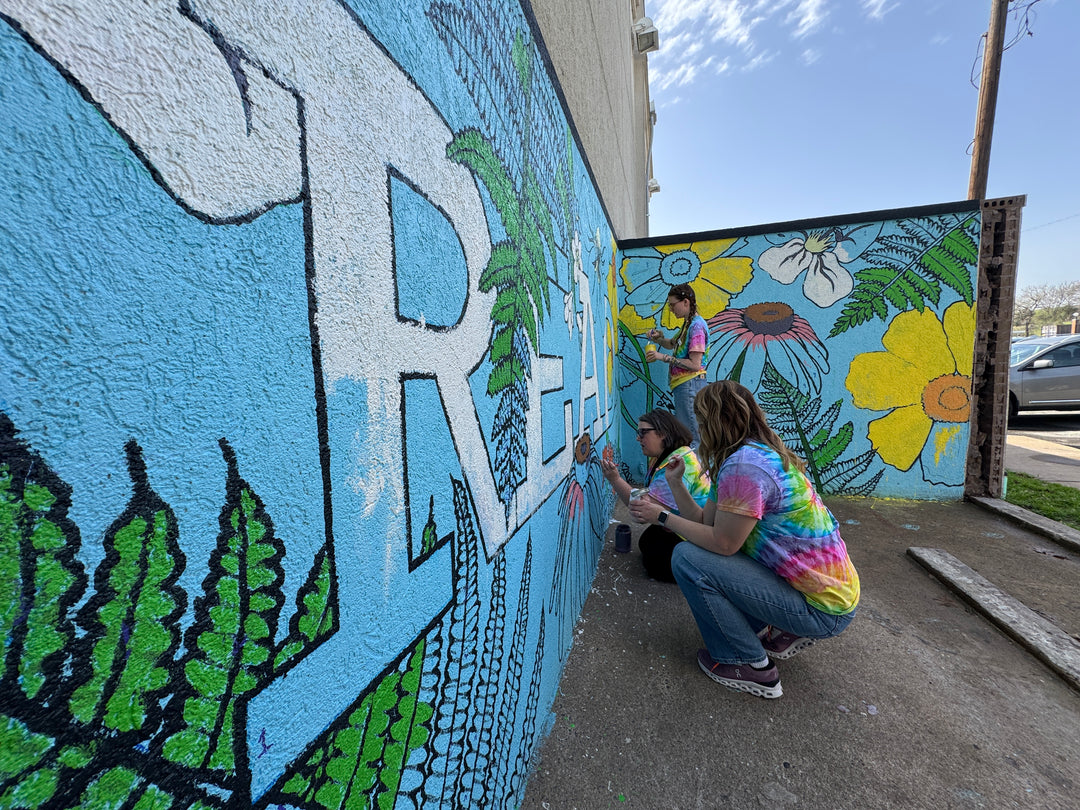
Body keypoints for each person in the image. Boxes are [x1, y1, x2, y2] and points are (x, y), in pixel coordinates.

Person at [628, 380, 860, 700]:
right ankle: (773, 627)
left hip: (822, 608)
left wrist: (661, 516)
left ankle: (748, 664)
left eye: (700, 419)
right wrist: (675, 483)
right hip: (823, 591)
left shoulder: (745, 466)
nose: (697, 428)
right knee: (699, 550)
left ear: (713, 421)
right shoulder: (744, 457)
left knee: (686, 557)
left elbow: (724, 544)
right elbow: (703, 523)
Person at [601, 410, 710, 581]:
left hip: (697, 536)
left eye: (643, 432)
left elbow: (642, 510)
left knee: (654, 561)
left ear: (663, 433)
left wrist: (614, 479)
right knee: (648, 541)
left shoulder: (678, 464)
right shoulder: (667, 455)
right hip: (691, 527)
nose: (638, 438)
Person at [645, 283, 709, 448]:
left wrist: (663, 357)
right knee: (689, 435)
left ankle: (695, 474)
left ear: (686, 302)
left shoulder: (697, 326)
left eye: (673, 305)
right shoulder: (688, 325)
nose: (671, 310)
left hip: (690, 385)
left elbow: (695, 364)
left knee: (692, 437)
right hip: (685, 386)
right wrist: (659, 338)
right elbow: (672, 343)